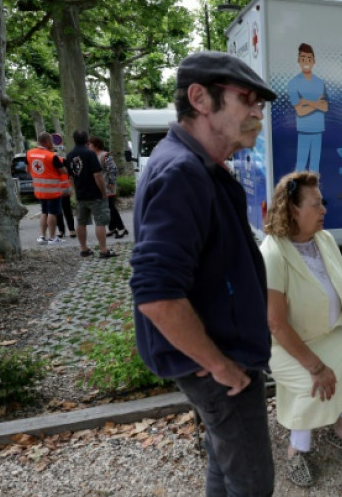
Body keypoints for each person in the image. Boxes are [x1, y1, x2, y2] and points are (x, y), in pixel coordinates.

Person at [130, 51, 278, 497]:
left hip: (220, 360)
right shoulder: (182, 172)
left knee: (225, 462)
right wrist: (221, 367)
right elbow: (156, 295)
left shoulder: (200, 167)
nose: (257, 112)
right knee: (252, 484)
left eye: (261, 104)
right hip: (219, 367)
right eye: (246, 99)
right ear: (200, 98)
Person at [260, 171, 342, 488]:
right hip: (287, 345)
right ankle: (296, 451)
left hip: (330, 335)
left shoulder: (325, 240)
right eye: (316, 204)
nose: (324, 210)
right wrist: (315, 367)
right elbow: (275, 323)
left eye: (322, 202)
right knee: (313, 383)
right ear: (293, 210)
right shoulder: (273, 252)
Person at [66, 130, 115, 258]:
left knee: (81, 222)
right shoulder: (90, 154)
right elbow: (97, 175)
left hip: (81, 194)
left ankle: (84, 249)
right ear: (87, 140)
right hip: (94, 194)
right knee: (100, 222)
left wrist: (76, 191)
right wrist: (103, 192)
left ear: (74, 139)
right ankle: (103, 250)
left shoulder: (70, 155)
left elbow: (70, 177)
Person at [288, 43, 328, 172]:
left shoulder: (320, 83)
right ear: (299, 60)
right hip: (304, 131)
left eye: (309, 59)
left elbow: (325, 107)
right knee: (301, 166)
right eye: (303, 58)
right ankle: (299, 192)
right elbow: (300, 111)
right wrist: (316, 104)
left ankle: (313, 192)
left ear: (314, 61)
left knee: (314, 168)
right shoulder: (293, 83)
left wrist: (306, 101)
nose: (306, 62)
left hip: (318, 130)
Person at [26, 132, 67, 245]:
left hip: (39, 190)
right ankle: (53, 238)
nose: (53, 144)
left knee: (44, 212)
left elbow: (27, 169)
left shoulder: (29, 153)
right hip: (52, 190)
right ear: (47, 142)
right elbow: (63, 171)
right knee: (52, 213)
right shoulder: (52, 156)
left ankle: (42, 236)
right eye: (52, 142)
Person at [87, 136, 128, 239]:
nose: (88, 146)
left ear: (96, 145)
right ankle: (112, 227)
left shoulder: (105, 155)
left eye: (90, 145)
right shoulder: (93, 156)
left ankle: (121, 228)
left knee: (110, 208)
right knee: (107, 208)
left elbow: (113, 169)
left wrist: (112, 182)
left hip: (107, 186)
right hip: (101, 187)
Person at [52, 134, 77, 239]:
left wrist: (71, 188)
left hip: (62, 189)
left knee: (66, 210)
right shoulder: (54, 160)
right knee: (59, 211)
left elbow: (70, 175)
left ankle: (69, 230)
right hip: (55, 189)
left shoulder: (62, 160)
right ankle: (63, 230)